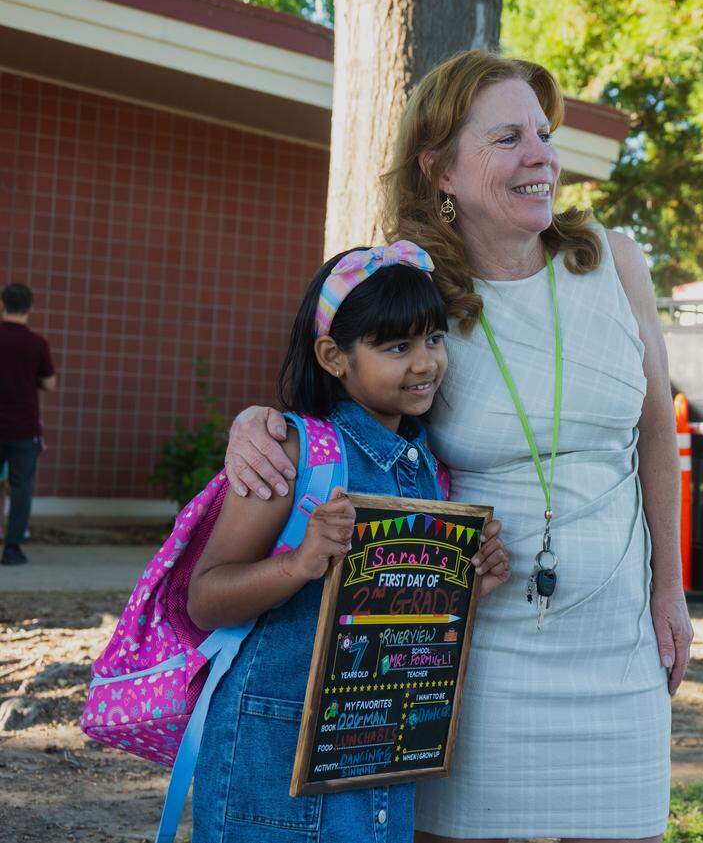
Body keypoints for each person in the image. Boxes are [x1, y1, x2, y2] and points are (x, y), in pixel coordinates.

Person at [225, 50, 694, 842]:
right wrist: (255, 421)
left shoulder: (614, 262)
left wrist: (669, 592)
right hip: (472, 651)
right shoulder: (415, 292)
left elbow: (655, 427)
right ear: (439, 168)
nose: (541, 154)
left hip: (618, 647)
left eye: (544, 133)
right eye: (507, 137)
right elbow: (336, 402)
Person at [186, 242, 511, 842]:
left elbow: (397, 624)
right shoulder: (293, 453)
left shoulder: (431, 475)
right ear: (335, 356)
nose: (425, 363)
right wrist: (300, 564)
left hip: (377, 757)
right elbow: (205, 598)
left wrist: (468, 587)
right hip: (270, 763)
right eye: (396, 347)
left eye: (434, 339)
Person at [0, 283, 56, 566]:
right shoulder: (37, 344)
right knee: (21, 488)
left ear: (2, 304)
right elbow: (49, 383)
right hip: (23, 427)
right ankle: (12, 548)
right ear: (30, 308)